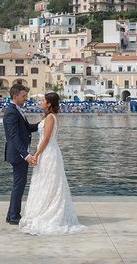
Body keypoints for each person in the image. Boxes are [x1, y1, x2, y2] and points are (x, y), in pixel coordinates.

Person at [19, 92, 85, 235]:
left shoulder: (50, 118)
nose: (40, 102)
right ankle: (44, 208)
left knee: (49, 181)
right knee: (45, 181)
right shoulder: (48, 117)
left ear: (49, 103)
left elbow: (47, 138)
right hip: (47, 152)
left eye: (42, 100)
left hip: (48, 152)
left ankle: (48, 211)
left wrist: (36, 154)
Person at [3, 83, 39, 225]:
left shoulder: (17, 110)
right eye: (23, 96)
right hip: (18, 155)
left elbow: (27, 128)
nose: (26, 98)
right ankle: (14, 216)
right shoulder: (11, 112)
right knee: (19, 185)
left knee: (18, 184)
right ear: (16, 95)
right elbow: (14, 136)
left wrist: (43, 123)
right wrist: (26, 155)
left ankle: (11, 214)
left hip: (18, 154)